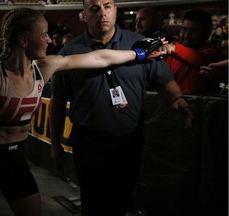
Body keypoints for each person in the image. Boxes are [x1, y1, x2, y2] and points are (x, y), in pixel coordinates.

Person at [0, 7, 168, 216]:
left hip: (16, 158)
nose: (49, 39)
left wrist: (138, 54)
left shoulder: (44, 67)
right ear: (24, 40)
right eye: (43, 34)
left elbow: (100, 58)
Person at [49, 0, 193, 215]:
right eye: (95, 9)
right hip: (88, 143)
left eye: (107, 6)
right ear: (84, 15)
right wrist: (54, 143)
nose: (102, 13)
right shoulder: (69, 52)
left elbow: (164, 80)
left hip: (129, 141)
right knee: (94, 204)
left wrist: (177, 97)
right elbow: (58, 100)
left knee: (121, 202)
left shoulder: (141, 44)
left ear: (116, 10)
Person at [158, 9, 223, 94]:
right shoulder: (173, 54)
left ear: (207, 34)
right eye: (184, 29)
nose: (187, 35)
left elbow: (199, 59)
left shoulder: (212, 54)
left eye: (194, 31)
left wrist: (173, 48)